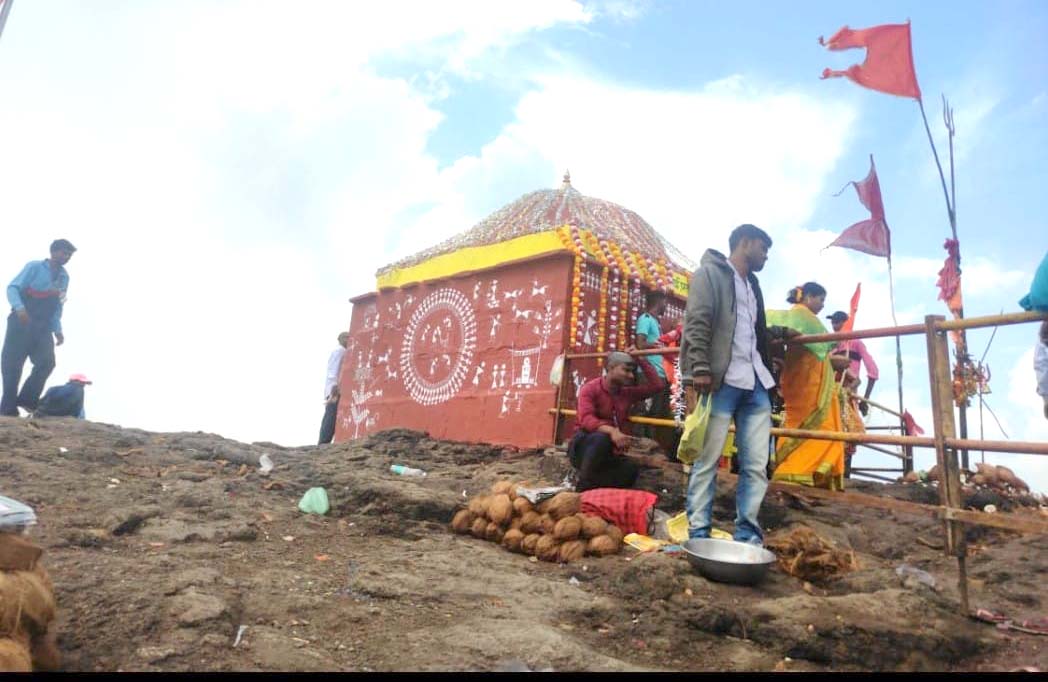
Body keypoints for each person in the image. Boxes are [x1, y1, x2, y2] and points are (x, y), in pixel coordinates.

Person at [679, 224, 794, 546]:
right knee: (707, 461)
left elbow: (755, 330)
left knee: (757, 465)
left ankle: (747, 536)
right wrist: (699, 368)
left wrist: (781, 334)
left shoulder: (753, 285)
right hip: (720, 381)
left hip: (756, 384)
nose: (766, 256)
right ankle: (699, 533)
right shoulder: (709, 274)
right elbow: (697, 322)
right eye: (763, 248)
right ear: (745, 244)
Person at [766, 283, 852, 490]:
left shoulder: (793, 317)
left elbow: (816, 352)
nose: (822, 305)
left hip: (801, 377)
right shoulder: (805, 318)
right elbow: (821, 349)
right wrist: (836, 361)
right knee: (821, 424)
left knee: (803, 423)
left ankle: (800, 470)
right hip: (809, 380)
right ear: (809, 297)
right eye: (821, 299)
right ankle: (800, 470)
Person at [569, 349, 667, 492]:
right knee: (601, 438)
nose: (631, 375)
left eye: (632, 371)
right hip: (584, 448)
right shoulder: (589, 389)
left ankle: (597, 490)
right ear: (610, 368)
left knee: (630, 470)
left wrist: (640, 359)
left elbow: (657, 386)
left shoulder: (627, 393)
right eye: (626, 370)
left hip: (610, 453)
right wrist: (612, 431)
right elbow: (586, 419)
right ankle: (581, 489)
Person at [1, 239, 76, 417]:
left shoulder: (64, 277)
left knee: (47, 361)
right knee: (13, 364)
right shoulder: (35, 267)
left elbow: (58, 305)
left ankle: (27, 399)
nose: (66, 257)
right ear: (54, 252)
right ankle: (7, 409)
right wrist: (19, 309)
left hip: (43, 325)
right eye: (64, 253)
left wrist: (57, 329)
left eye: (69, 255)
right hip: (22, 320)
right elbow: (12, 287)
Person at [634, 291, 673, 450]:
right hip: (648, 373)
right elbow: (640, 344)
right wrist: (658, 346)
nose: (666, 306)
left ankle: (650, 445)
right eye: (665, 302)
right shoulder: (646, 319)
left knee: (656, 413)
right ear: (659, 301)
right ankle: (639, 446)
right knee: (644, 410)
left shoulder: (656, 323)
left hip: (661, 373)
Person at [827, 310, 879, 415]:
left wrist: (865, 399)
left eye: (837, 322)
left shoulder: (856, 343)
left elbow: (873, 371)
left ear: (845, 323)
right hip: (829, 393)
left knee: (848, 420)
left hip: (848, 392)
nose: (834, 325)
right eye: (832, 322)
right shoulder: (830, 345)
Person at [318, 331, 349, 445]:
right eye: (347, 337)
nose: (349, 340)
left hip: (334, 388)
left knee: (332, 415)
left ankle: (324, 441)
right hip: (334, 390)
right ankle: (323, 442)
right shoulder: (340, 351)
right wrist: (334, 387)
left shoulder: (342, 351)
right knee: (331, 415)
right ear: (341, 339)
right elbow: (333, 370)